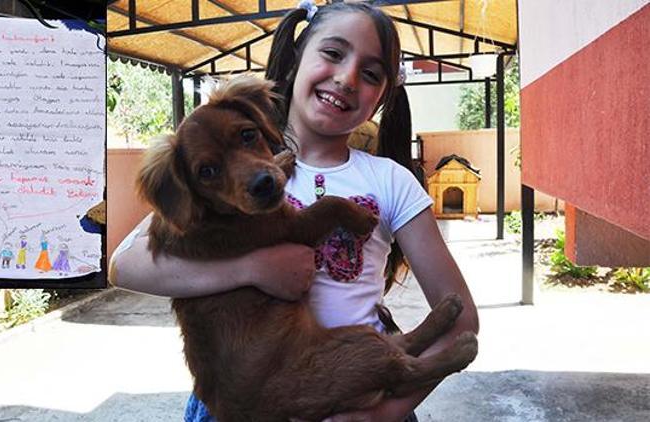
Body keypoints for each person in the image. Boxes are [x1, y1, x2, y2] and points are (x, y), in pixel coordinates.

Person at [110, 2, 478, 421]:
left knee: (370, 360)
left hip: (359, 385)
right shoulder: (206, 185)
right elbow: (123, 265)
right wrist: (251, 269)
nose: (346, 78)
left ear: (383, 95)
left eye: (371, 73)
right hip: (243, 396)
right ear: (296, 58)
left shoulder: (390, 180)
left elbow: (462, 318)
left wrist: (383, 414)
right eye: (333, 53)